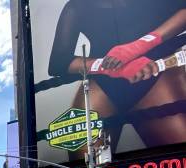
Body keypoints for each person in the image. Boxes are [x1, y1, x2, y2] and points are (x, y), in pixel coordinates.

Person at [48, 0, 186, 159]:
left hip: (154, 73)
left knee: (180, 160)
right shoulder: (77, 6)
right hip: (104, 83)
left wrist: (137, 46)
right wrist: (105, 66)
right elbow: (58, 62)